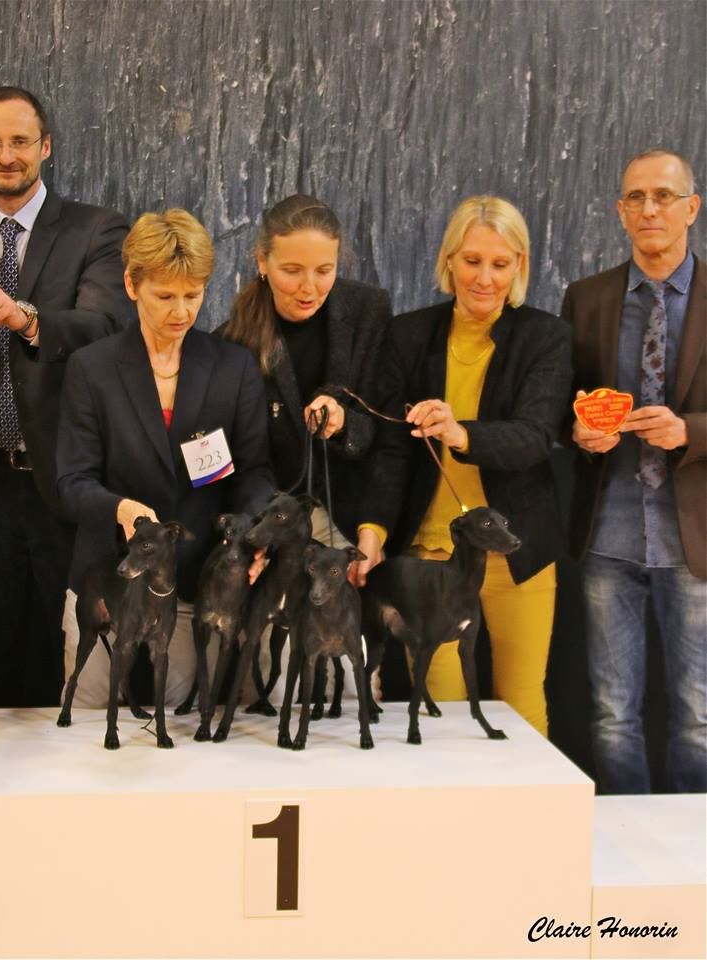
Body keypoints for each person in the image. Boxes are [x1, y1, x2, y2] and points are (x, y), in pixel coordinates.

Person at [362, 195, 572, 736]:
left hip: (517, 554)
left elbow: (535, 436)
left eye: (500, 264)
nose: (485, 278)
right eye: (472, 261)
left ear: (520, 266)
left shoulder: (545, 336)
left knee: (522, 706)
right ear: (449, 259)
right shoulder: (409, 335)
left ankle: (527, 798)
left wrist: (461, 434)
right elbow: (391, 450)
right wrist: (374, 530)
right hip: (431, 557)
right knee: (442, 713)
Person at [56, 209, 274, 707]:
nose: (181, 311)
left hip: (194, 585)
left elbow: (254, 471)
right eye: (165, 296)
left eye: (193, 295)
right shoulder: (92, 369)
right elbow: (72, 481)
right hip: (108, 580)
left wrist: (254, 533)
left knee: (180, 728)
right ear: (131, 285)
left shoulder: (233, 367)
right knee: (87, 724)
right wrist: (122, 509)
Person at [0, 86, 130, 709]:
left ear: (46, 147)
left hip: (62, 480)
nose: (6, 155)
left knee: (64, 657)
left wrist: (26, 317)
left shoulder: (96, 230)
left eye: (20, 141)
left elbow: (105, 327)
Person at [562, 149, 705, 794]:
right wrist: (578, 433)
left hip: (694, 538)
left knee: (698, 717)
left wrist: (689, 430)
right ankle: (621, 837)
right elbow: (561, 401)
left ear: (691, 208)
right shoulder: (587, 297)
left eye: (664, 196)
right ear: (620, 211)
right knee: (612, 715)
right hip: (608, 531)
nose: (650, 209)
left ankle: (693, 844)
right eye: (636, 198)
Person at [222, 193, 392, 563]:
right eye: (292, 271)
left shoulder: (369, 310)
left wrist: (344, 425)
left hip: (352, 522)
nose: (309, 287)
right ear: (262, 261)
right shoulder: (232, 342)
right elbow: (241, 463)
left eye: (324, 270)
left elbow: (385, 432)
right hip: (272, 528)